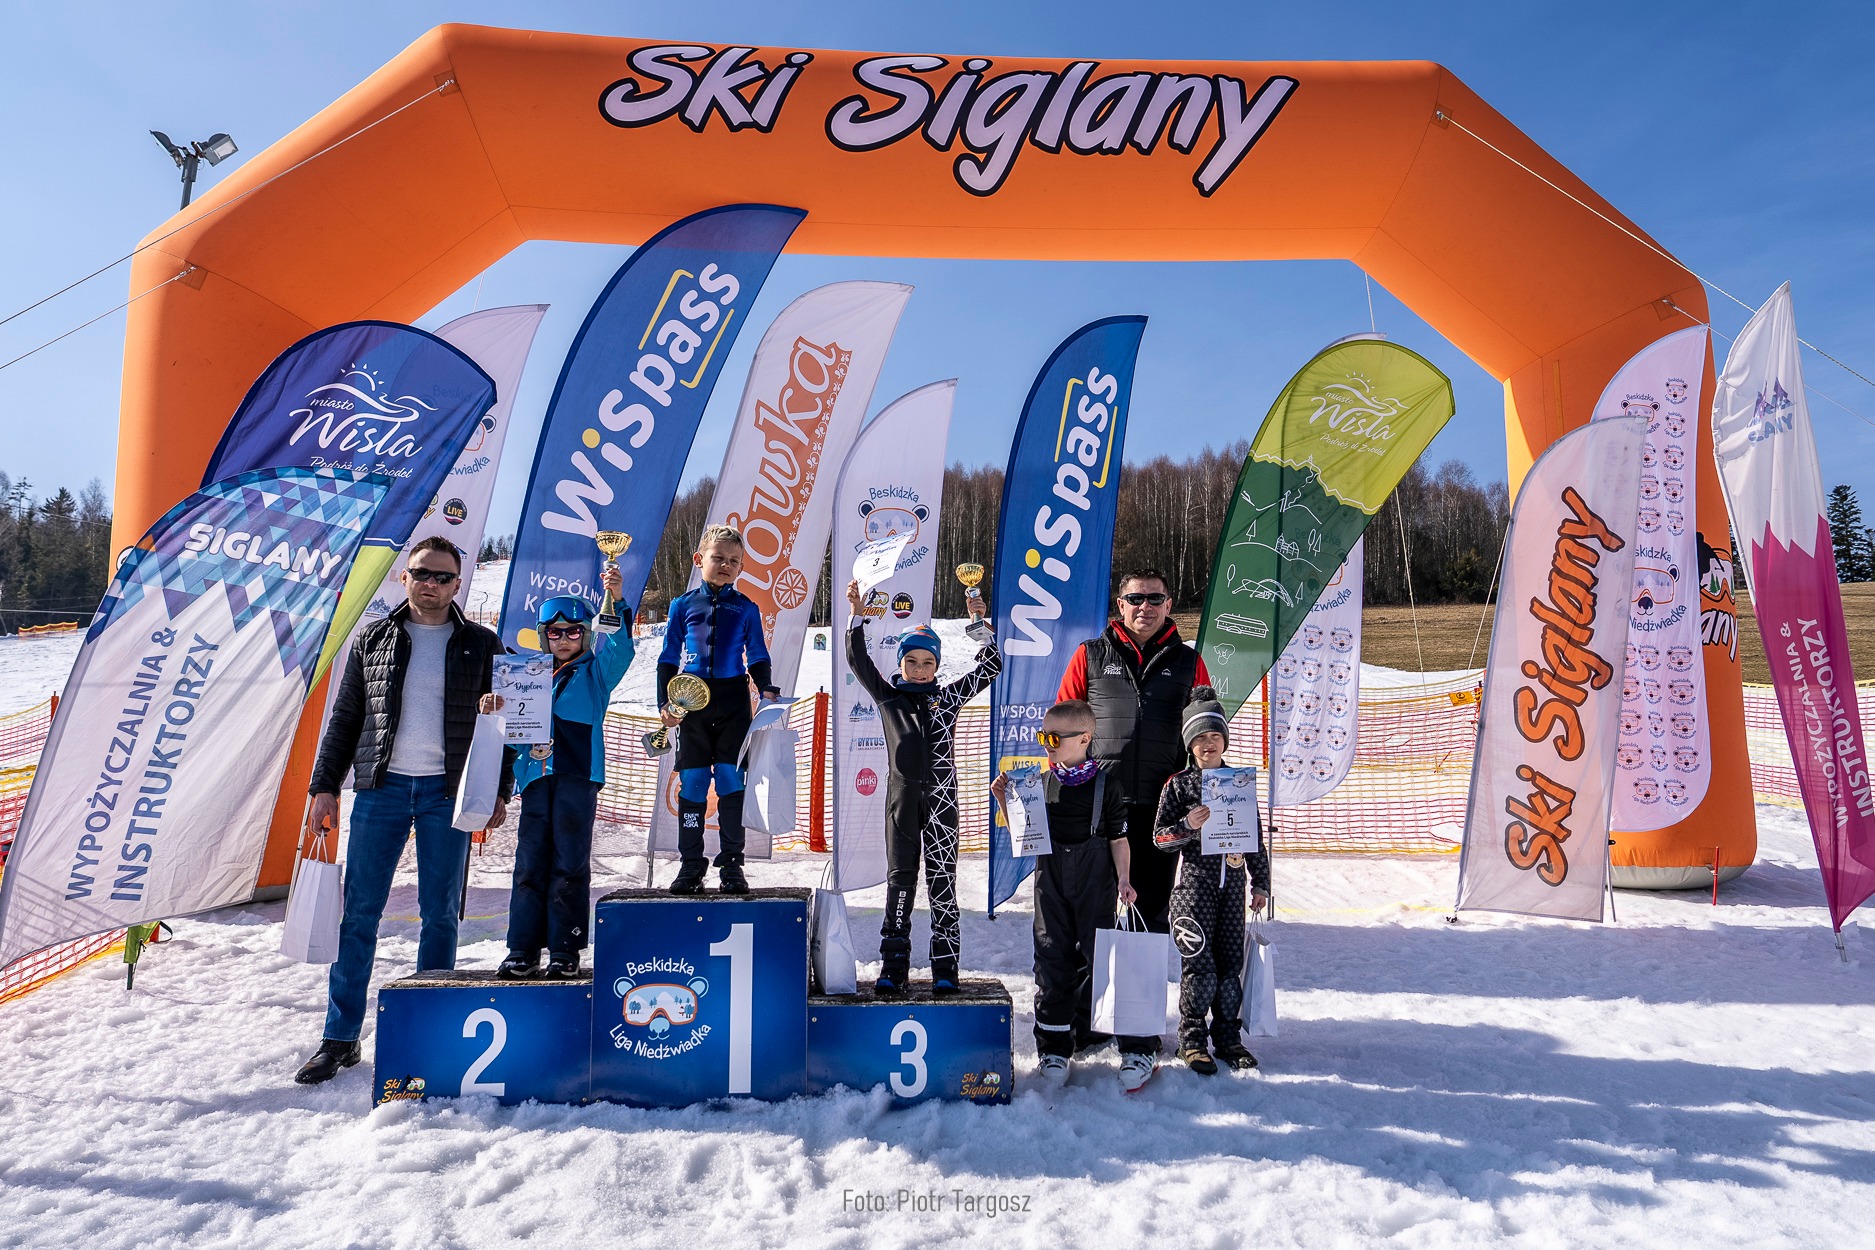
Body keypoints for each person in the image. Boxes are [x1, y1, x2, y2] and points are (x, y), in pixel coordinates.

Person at [295, 536, 513, 1085]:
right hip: (381, 790)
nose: (430, 584)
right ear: (404, 577)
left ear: (458, 585)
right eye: (421, 573)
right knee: (359, 916)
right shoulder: (373, 639)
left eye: (442, 576)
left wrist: (498, 791)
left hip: (448, 794)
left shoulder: (484, 646)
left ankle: (429, 1033)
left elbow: (509, 726)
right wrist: (324, 786)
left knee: (440, 915)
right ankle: (340, 1038)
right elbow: (346, 718)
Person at [991, 699, 1160, 1093]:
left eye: (1054, 739)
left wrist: (1124, 879)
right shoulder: (1037, 783)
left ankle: (1138, 1048)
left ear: (1084, 738)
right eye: (1043, 737)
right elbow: (1025, 837)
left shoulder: (1106, 785)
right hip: (1050, 884)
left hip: (1095, 884)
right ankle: (1054, 1048)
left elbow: (1118, 839)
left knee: (1108, 961)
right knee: (1052, 960)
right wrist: (1003, 799)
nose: (1046, 745)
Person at [845, 577, 1000, 996]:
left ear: (936, 665)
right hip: (902, 803)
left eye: (927, 662)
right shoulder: (889, 698)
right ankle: (893, 966)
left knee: (943, 885)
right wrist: (857, 614)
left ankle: (945, 968)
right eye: (910, 661)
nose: (918, 668)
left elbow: (991, 667)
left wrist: (978, 622)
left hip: (942, 804)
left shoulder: (947, 698)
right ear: (900, 664)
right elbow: (857, 659)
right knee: (900, 884)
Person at [485, 566, 632, 981]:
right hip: (535, 779)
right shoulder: (526, 677)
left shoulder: (596, 674)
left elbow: (620, 649)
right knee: (530, 862)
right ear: (543, 635)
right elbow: (512, 735)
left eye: (573, 631)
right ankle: (522, 949)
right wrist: (496, 713)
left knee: (569, 861)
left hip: (577, 776)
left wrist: (616, 599)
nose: (564, 639)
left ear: (586, 635)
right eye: (555, 632)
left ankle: (565, 949)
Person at [1055, 568, 1210, 936]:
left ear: (1168, 605)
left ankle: (1143, 973)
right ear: (1121, 605)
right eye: (1136, 598)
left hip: (1163, 804)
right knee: (1093, 907)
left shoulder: (1189, 661)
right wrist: (1066, 786)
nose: (1145, 606)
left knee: (1151, 909)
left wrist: (1206, 784)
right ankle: (1092, 973)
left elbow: (1206, 731)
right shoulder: (1090, 654)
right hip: (1099, 801)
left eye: (1155, 598)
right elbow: (1063, 723)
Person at [1152, 686, 1269, 1075]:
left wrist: (1260, 883)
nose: (1208, 744)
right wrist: (1187, 825)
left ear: (1224, 739)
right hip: (1195, 890)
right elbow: (1160, 838)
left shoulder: (1238, 783)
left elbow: (1254, 837)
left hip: (1232, 890)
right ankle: (1192, 1040)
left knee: (1230, 969)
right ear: (1189, 743)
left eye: (1215, 735)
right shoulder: (1179, 785)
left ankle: (1229, 1039)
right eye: (1200, 737)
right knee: (1199, 969)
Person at [658, 525, 779, 895]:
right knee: (694, 781)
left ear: (741, 567)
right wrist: (664, 703)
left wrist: (766, 686)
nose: (726, 565)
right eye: (718, 558)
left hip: (732, 702)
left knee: (730, 779)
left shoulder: (746, 608)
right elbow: (668, 657)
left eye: (733, 561)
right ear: (699, 560)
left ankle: (732, 865)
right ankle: (691, 865)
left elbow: (757, 654)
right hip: (691, 702)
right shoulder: (682, 605)